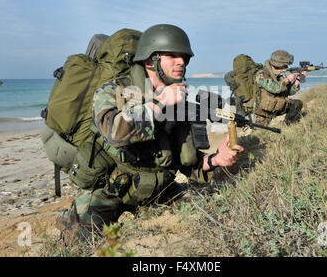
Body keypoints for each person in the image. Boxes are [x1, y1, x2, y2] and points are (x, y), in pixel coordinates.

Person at [55, 24, 244, 244]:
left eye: (183, 57)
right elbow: (115, 131)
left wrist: (216, 159)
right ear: (150, 60)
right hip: (110, 189)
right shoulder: (114, 90)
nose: (181, 62)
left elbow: (188, 165)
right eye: (172, 55)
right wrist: (160, 102)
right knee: (76, 243)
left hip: (157, 188)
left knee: (207, 212)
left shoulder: (178, 103)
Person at [253, 50, 306, 126]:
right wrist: (287, 80)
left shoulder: (279, 75)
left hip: (278, 105)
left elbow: (289, 92)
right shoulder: (261, 74)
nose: (286, 67)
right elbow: (274, 88)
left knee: (297, 104)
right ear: (276, 65)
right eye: (284, 65)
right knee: (260, 132)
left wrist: (297, 80)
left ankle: (288, 125)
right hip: (264, 111)